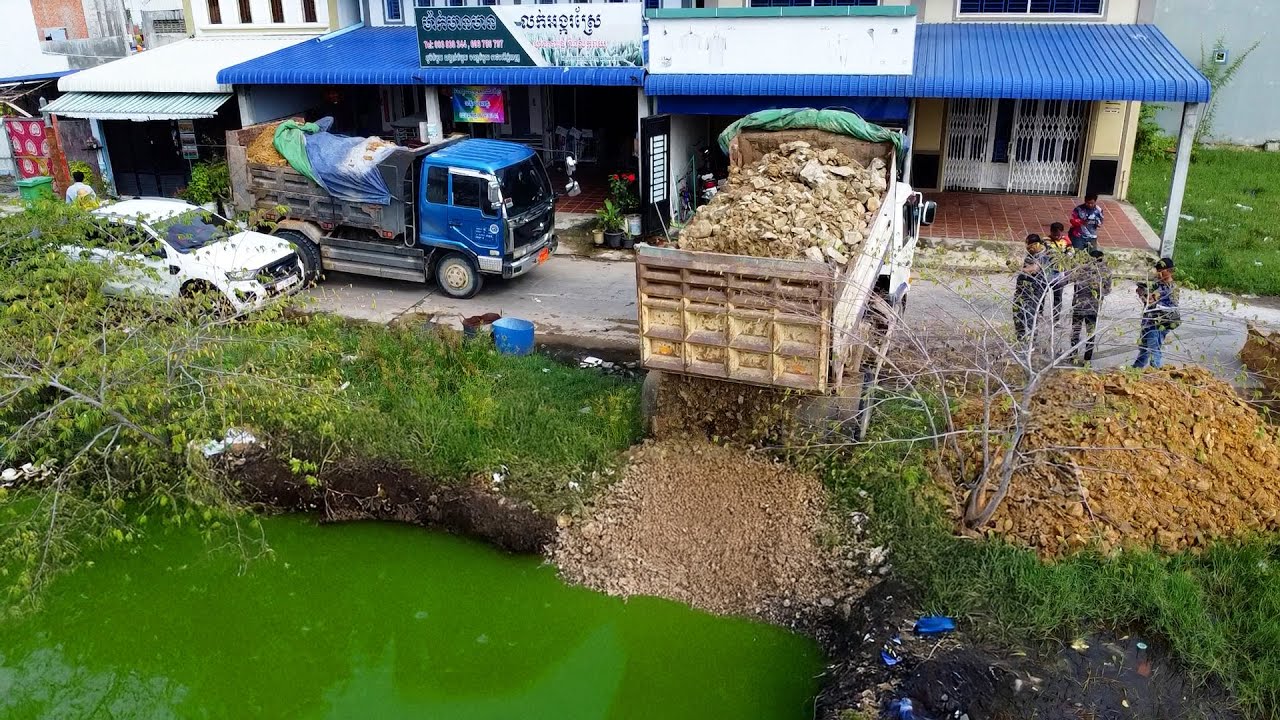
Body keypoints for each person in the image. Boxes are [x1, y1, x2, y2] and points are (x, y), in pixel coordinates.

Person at [1133, 257, 1180, 369]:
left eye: (1161, 272)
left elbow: (1170, 306)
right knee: (1144, 347)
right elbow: (1147, 302)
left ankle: (1155, 371)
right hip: (1148, 321)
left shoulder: (1171, 288)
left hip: (1158, 324)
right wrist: (1142, 293)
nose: (1159, 275)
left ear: (1169, 271)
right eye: (1157, 272)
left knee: (1154, 348)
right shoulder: (1156, 284)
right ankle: (1137, 368)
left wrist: (1149, 298)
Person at [1070, 249, 1112, 365]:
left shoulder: (1102, 272)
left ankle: (1080, 358)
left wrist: (1095, 287)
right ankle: (1080, 358)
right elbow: (1107, 290)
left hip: (1086, 306)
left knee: (1083, 333)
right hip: (1085, 306)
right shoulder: (1085, 269)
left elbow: (1107, 290)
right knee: (1083, 333)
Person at [1014, 234, 1049, 342]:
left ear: (1036, 244)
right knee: (1017, 313)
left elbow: (1034, 269)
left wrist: (1017, 269)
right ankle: (1020, 337)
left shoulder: (1043, 255)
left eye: (1030, 245)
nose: (1028, 248)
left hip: (1034, 290)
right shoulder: (1031, 254)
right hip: (1022, 288)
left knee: (1030, 315)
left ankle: (1031, 341)